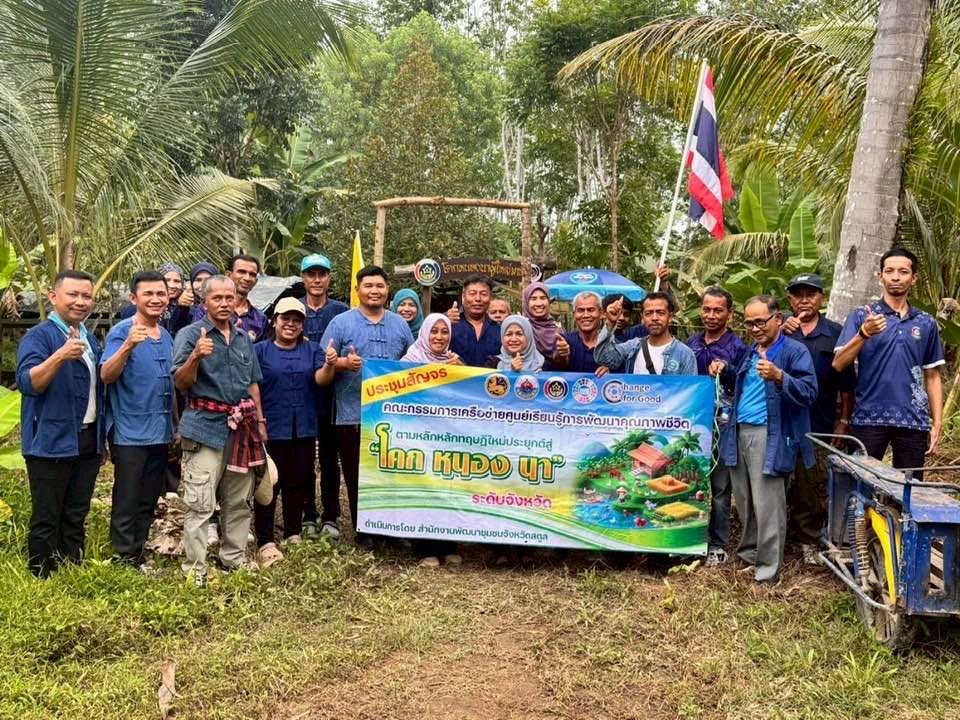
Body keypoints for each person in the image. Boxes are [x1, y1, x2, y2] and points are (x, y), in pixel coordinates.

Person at [711, 296, 818, 583]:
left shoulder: (794, 351)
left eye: (761, 321)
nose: (755, 328)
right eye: (749, 323)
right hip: (739, 431)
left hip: (768, 434)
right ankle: (749, 554)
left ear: (778, 319)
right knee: (745, 499)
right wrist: (724, 368)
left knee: (768, 503)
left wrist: (780, 376)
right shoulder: (750, 351)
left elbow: (810, 391)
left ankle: (768, 570)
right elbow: (742, 386)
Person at [173, 275, 266, 586]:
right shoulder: (189, 335)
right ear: (205, 301)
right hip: (204, 428)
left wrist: (261, 424)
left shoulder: (242, 339)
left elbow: (252, 384)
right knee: (200, 503)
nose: (225, 304)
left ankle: (233, 558)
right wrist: (196, 356)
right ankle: (195, 571)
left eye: (229, 298)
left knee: (239, 499)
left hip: (241, 428)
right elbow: (180, 383)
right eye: (217, 299)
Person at [16, 270, 104, 577]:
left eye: (87, 296)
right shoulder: (39, 336)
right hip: (51, 438)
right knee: (47, 513)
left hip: (87, 438)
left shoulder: (89, 338)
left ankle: (71, 569)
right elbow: (28, 383)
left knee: (76, 511)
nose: (81, 302)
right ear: (54, 297)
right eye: (73, 295)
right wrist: (60, 356)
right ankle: (41, 574)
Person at [318, 266, 414, 547]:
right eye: (368, 285)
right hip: (351, 413)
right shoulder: (340, 323)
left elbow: (413, 361)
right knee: (357, 473)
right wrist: (343, 363)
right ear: (358, 290)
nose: (374, 290)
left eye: (380, 286)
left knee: (391, 472)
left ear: (388, 291)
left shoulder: (399, 324)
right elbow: (324, 362)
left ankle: (392, 528)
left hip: (393, 415)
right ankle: (365, 529)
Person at [834, 248, 944, 471]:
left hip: (913, 421)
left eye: (903, 272)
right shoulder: (861, 316)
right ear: (880, 277)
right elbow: (838, 363)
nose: (895, 277)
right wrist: (864, 333)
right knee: (860, 487)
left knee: (909, 491)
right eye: (889, 271)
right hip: (867, 419)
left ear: (914, 279)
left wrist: (937, 422)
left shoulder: (926, 322)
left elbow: (932, 376)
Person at [100, 271, 175, 569]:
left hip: (160, 431)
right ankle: (122, 555)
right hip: (130, 432)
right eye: (149, 294)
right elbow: (107, 374)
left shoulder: (166, 334)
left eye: (161, 293)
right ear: (134, 298)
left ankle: (138, 550)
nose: (156, 299)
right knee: (127, 496)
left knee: (148, 497)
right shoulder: (122, 331)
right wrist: (129, 345)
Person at [782, 273, 856, 563]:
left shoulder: (836, 333)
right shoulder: (781, 330)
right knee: (780, 479)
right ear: (789, 299)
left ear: (821, 298)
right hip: (782, 419)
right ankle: (782, 532)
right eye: (797, 294)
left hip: (819, 419)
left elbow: (847, 382)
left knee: (810, 483)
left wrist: (844, 419)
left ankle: (808, 539)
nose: (804, 300)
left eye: (810, 294)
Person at [253, 298, 327, 567]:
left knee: (299, 481)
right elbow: (252, 387)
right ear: (275, 321)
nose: (291, 324)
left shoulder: (313, 350)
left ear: (302, 324)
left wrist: (330, 363)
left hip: (304, 427)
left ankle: (293, 531)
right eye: (286, 319)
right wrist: (259, 421)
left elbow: (321, 378)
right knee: (268, 484)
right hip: (271, 427)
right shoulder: (260, 351)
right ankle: (265, 538)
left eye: (297, 320)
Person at [685, 287, 747, 566]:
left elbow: (745, 386)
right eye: (706, 309)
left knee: (720, 487)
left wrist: (727, 369)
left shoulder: (738, 348)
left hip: (722, 425)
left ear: (729, 314)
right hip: (692, 425)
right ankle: (688, 537)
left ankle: (718, 543)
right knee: (688, 481)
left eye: (717, 310)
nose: (711, 315)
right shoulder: (690, 344)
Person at [401, 313, 464, 567]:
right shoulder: (409, 361)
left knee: (447, 490)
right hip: (419, 437)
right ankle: (424, 548)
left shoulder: (455, 361)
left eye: (444, 332)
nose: (439, 337)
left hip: (448, 438)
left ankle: (448, 545)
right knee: (423, 489)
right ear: (425, 333)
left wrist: (459, 372)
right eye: (434, 331)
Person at [298, 253, 349, 539]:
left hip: (334, 394)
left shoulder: (341, 312)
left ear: (329, 278)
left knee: (330, 459)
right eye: (311, 274)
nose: (316, 280)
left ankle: (331, 516)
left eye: (322, 274)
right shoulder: (292, 309)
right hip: (300, 394)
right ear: (303, 278)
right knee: (305, 456)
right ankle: (307, 514)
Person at [594, 292, 696, 375]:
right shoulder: (633, 347)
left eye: (660, 313)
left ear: (670, 317)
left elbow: (690, 393)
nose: (654, 318)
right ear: (642, 318)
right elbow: (603, 358)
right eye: (648, 313)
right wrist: (611, 323)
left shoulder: (685, 354)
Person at [192, 255, 268, 342]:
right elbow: (196, 342)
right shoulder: (206, 309)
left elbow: (261, 352)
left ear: (255, 282)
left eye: (252, 274)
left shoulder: (260, 318)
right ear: (228, 275)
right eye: (241, 272)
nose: (247, 278)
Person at [118, 262, 192, 335]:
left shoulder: (186, 304)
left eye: (177, 281)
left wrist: (181, 308)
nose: (172, 285)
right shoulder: (139, 306)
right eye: (167, 280)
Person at [552, 291, 612, 375]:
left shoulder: (611, 342)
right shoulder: (564, 340)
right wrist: (561, 354)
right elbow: (559, 365)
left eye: (591, 310)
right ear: (574, 315)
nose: (586, 315)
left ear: (601, 313)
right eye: (580, 310)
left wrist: (610, 371)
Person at [448, 274, 501, 367]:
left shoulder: (499, 330)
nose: (478, 299)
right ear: (463, 297)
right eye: (472, 294)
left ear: (490, 298)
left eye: (484, 294)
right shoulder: (448, 325)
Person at [522, 281, 569, 368]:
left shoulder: (558, 329)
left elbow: (563, 365)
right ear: (526, 303)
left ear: (548, 301)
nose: (539, 303)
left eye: (543, 298)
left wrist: (561, 354)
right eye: (533, 298)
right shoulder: (521, 328)